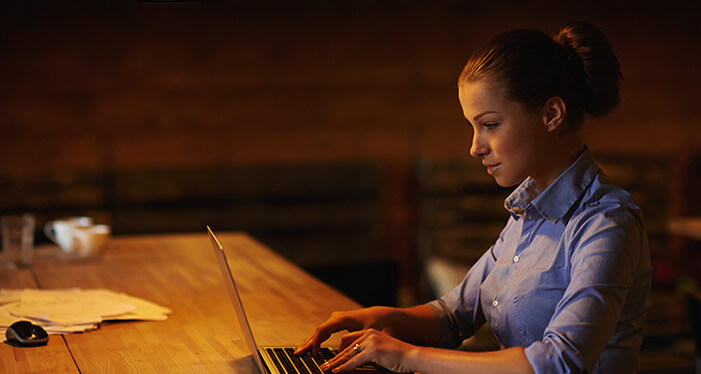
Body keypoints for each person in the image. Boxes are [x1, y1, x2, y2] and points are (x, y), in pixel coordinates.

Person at [295, 21, 652, 374]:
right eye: (473, 126)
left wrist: (406, 356)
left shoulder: (606, 223)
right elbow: (454, 314)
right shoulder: (527, 211)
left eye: (490, 125)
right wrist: (383, 316)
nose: (475, 147)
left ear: (551, 114)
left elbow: (561, 362)